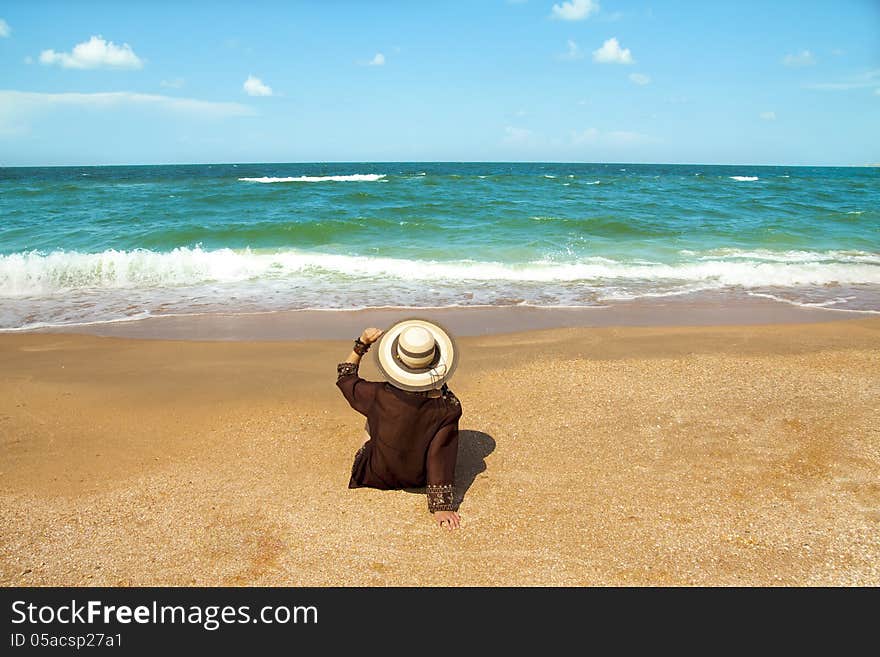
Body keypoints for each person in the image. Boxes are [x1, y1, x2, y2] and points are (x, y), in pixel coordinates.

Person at [336, 318, 463, 530]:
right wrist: (441, 505)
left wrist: (362, 343)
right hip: (418, 477)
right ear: (436, 360)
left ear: (396, 358)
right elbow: (439, 454)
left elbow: (346, 377)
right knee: (433, 431)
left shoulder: (376, 395)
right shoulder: (449, 406)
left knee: (372, 417)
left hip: (375, 472)